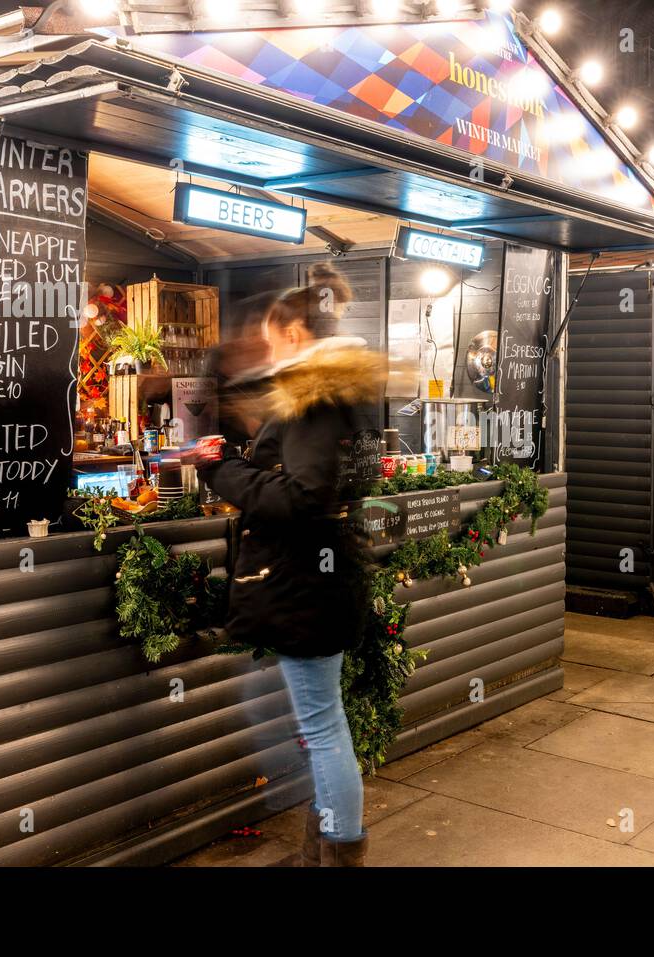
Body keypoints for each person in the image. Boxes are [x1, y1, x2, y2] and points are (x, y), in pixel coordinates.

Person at [181, 264, 387, 866]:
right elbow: (321, 484)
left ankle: (339, 849)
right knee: (322, 722)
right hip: (328, 580)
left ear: (295, 333)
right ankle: (323, 840)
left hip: (304, 586)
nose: (268, 351)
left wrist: (222, 470)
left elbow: (299, 497)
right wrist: (247, 461)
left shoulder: (311, 398)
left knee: (322, 728)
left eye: (273, 338)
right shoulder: (347, 393)